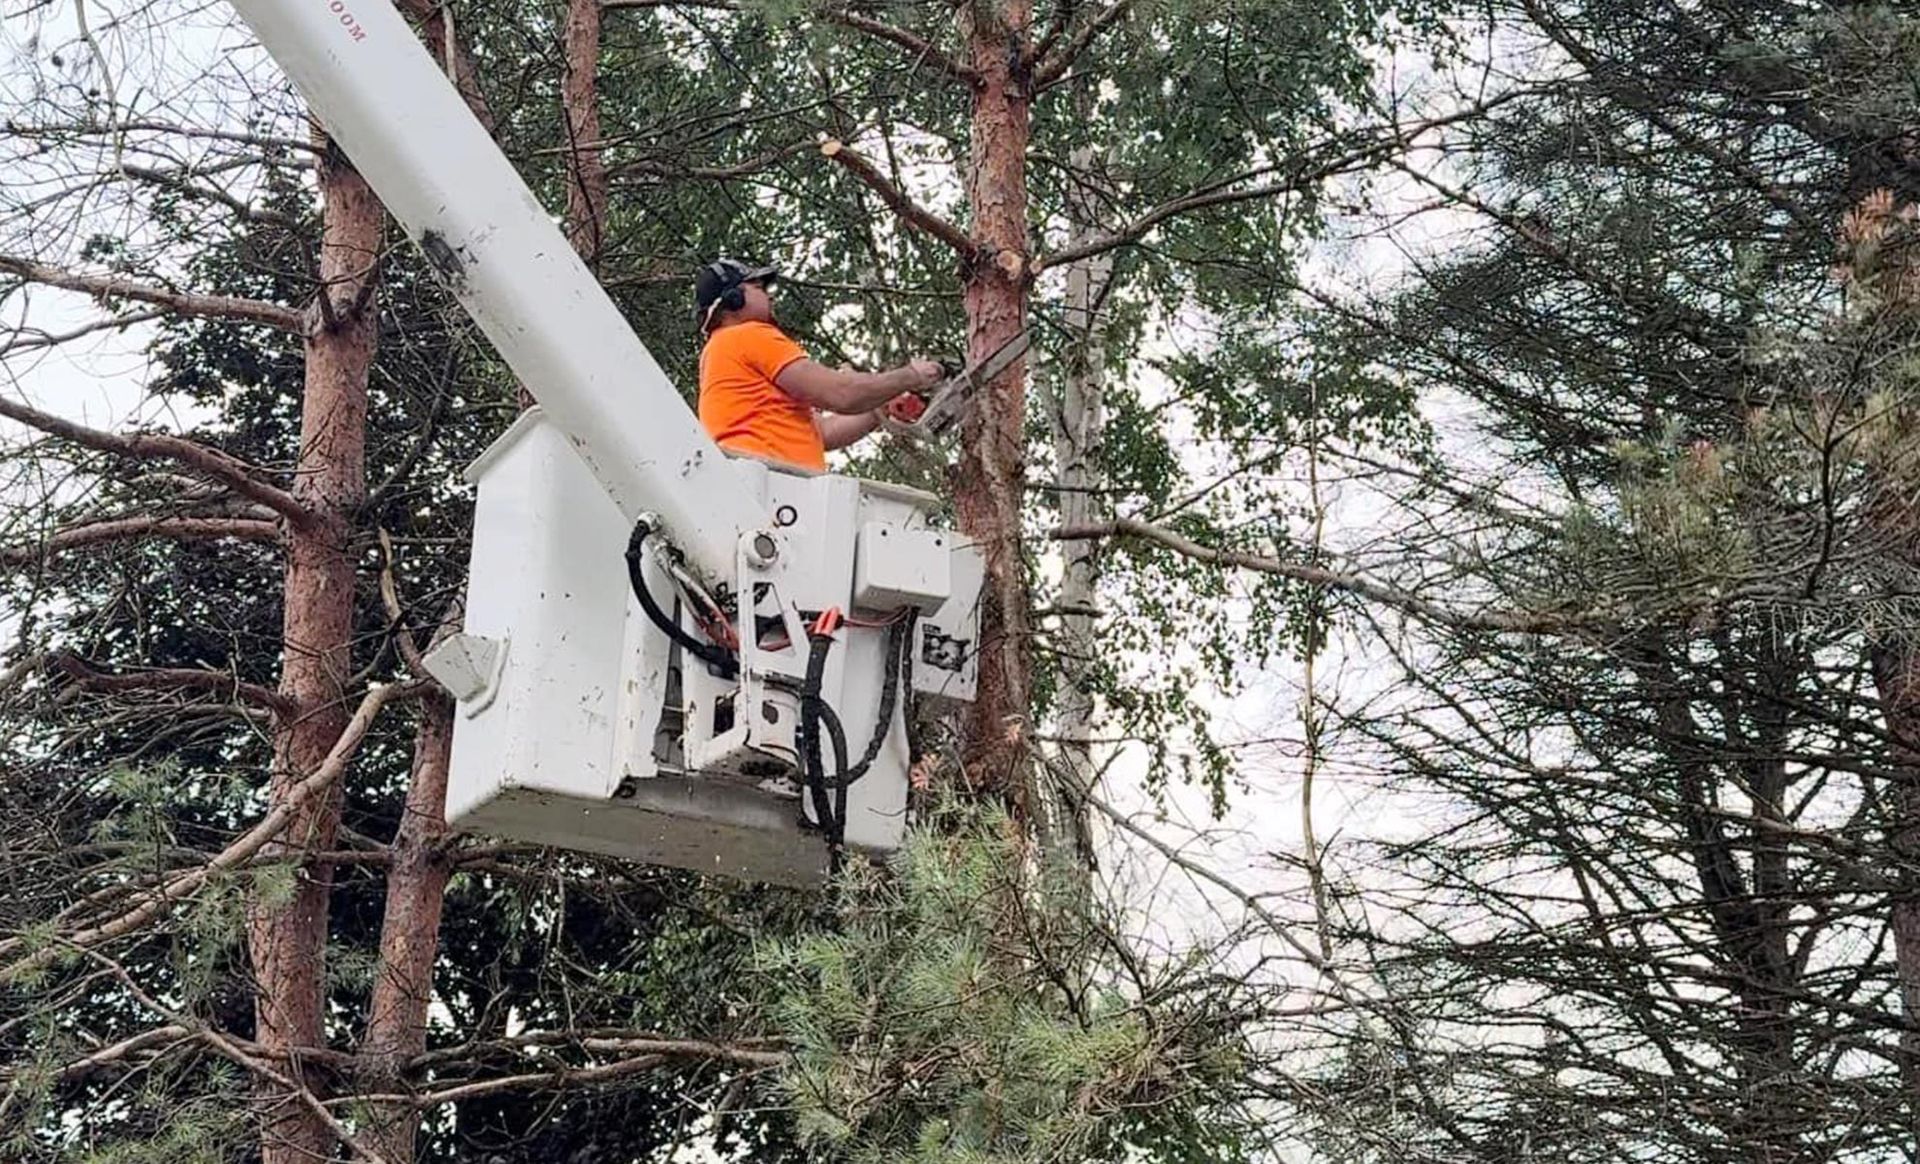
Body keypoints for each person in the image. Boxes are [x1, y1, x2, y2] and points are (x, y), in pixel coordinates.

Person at [693, 258, 941, 473]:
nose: (769, 295)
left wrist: (880, 408)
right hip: (772, 479)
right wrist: (912, 375)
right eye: (758, 287)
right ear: (734, 299)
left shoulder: (720, 352)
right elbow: (842, 394)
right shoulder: (749, 336)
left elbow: (821, 432)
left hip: (762, 482)